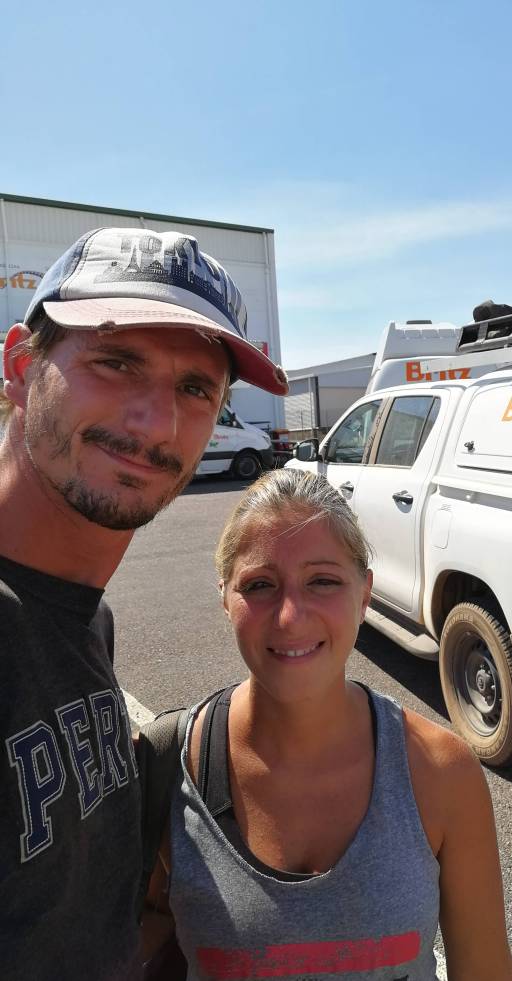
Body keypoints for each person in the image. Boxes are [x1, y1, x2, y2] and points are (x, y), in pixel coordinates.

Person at [0, 226, 288, 980]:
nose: (158, 422)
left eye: (195, 389)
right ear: (21, 367)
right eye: (116, 361)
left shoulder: (82, 619)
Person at [146, 468, 512, 980]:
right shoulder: (166, 766)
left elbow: (485, 968)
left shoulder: (440, 771)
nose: (290, 617)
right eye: (259, 585)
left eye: (322, 581)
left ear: (364, 595)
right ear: (225, 597)